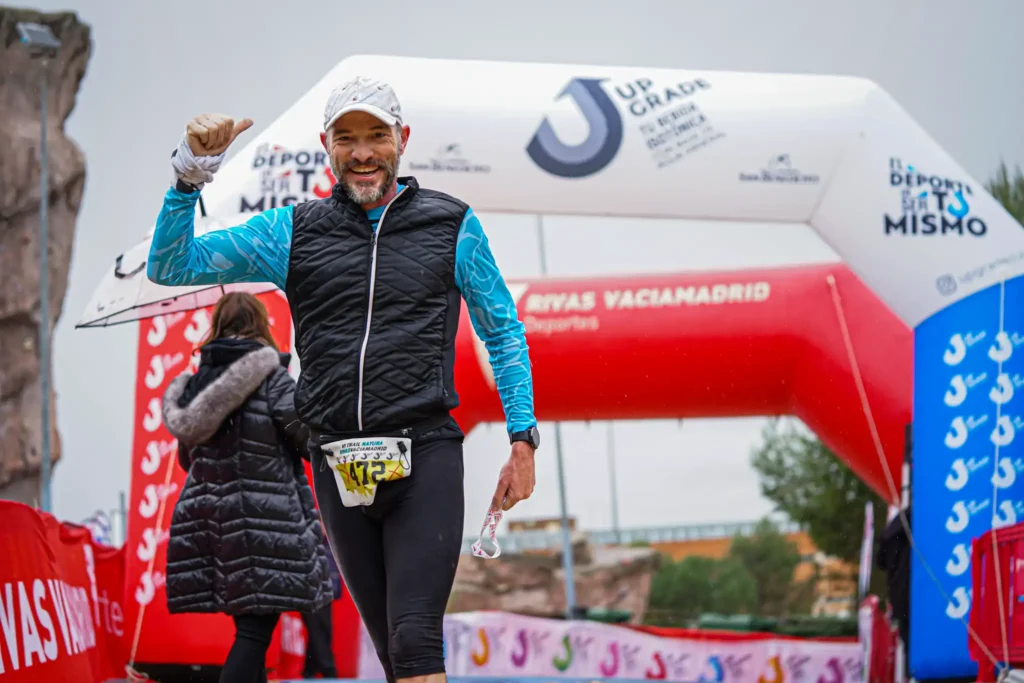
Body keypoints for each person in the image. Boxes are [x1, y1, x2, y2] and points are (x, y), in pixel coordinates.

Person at [147, 76, 539, 683]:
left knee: (414, 642)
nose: (363, 152)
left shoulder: (453, 224)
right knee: (393, 656)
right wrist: (189, 174)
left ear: (401, 139)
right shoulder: (291, 232)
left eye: (377, 136)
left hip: (425, 455)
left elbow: (504, 332)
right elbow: (171, 265)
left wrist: (523, 439)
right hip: (338, 463)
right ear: (326, 144)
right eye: (347, 138)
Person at [161, 292, 334, 683]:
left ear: (217, 327)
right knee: (256, 630)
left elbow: (187, 460)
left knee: (249, 626)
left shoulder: (192, 386)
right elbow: (305, 440)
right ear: (260, 326)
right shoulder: (272, 377)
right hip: (264, 517)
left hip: (209, 520)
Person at [301, 525, 341, 679]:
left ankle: (309, 670)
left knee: (320, 632)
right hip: (312, 593)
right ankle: (328, 670)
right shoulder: (310, 545)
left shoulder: (330, 544)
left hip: (326, 593)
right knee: (319, 632)